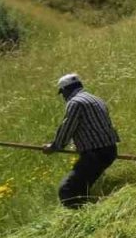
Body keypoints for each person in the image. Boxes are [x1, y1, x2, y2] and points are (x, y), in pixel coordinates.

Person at [43, 73, 120, 209]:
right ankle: (90, 209)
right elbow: (92, 127)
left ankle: (81, 217)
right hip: (109, 150)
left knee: (67, 190)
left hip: (96, 154)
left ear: (66, 90)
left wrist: (55, 146)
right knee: (81, 187)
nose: (64, 97)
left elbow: (68, 127)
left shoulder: (75, 102)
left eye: (62, 93)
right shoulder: (95, 99)